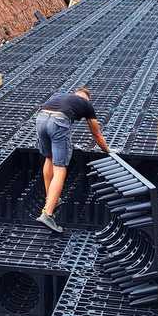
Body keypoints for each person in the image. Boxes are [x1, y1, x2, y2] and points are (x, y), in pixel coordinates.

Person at [34, 86, 109, 233]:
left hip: (40, 119)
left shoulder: (60, 96)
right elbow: (96, 134)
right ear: (87, 98)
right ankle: (47, 214)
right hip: (58, 122)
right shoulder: (86, 104)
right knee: (60, 168)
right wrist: (107, 150)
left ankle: (52, 199)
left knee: (49, 158)